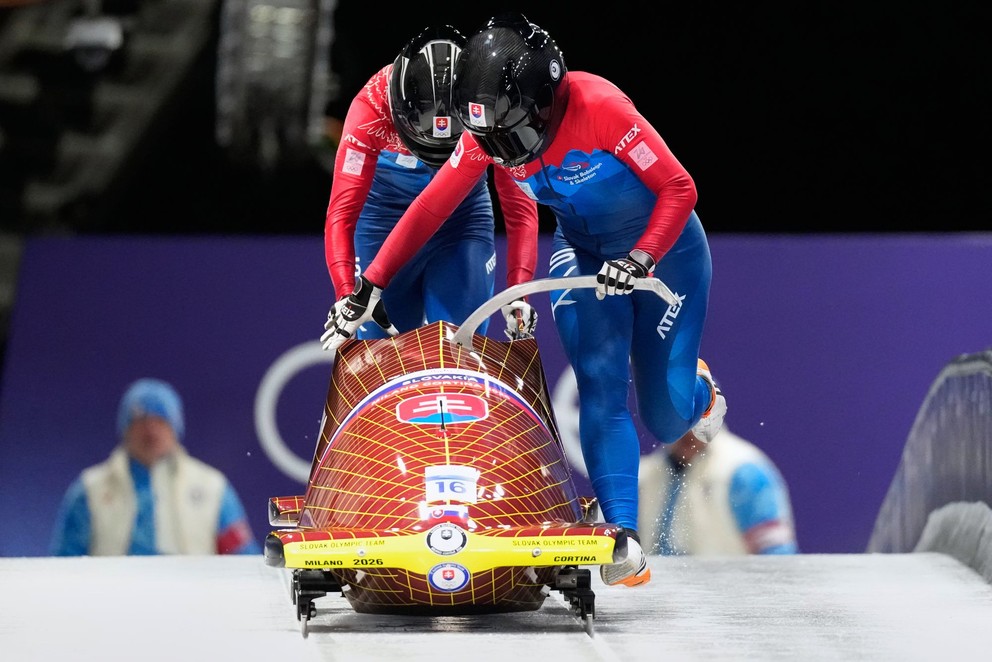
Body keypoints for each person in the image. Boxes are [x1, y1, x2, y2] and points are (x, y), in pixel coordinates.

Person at [322, 12, 727, 588]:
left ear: (543, 102)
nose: (502, 153)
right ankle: (624, 537)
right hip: (583, 254)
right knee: (600, 384)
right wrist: (370, 283)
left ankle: (700, 394)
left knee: (666, 418)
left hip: (669, 254)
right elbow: (430, 208)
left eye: (509, 136)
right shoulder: (487, 134)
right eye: (488, 139)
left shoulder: (601, 108)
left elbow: (679, 188)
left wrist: (642, 257)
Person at [319, 24, 539, 348]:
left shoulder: (491, 102)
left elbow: (519, 206)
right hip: (383, 225)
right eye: (424, 146)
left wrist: (518, 289)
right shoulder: (370, 109)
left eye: (447, 149)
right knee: (381, 357)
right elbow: (342, 213)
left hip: (461, 223)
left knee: (458, 352)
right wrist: (345, 294)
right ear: (398, 109)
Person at [50, 378, 260, 556]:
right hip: (113, 591)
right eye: (141, 421)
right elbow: (65, 562)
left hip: (191, 591)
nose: (151, 432)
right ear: (125, 429)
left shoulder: (212, 488)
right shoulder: (91, 489)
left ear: (175, 427)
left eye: (160, 421)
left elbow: (242, 558)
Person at [639, 427, 798, 556]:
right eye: (675, 416)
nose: (686, 430)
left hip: (732, 585)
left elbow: (777, 558)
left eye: (694, 415)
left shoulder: (742, 471)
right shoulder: (644, 476)